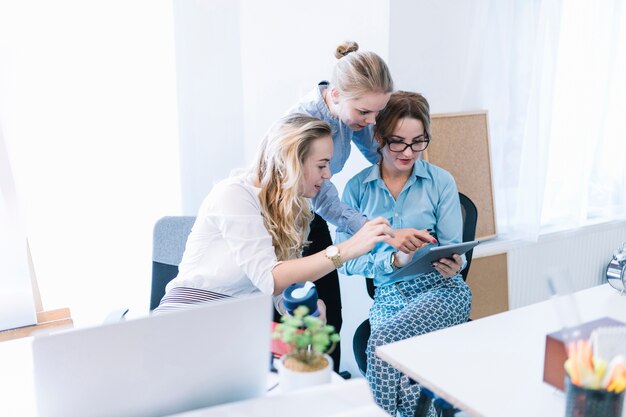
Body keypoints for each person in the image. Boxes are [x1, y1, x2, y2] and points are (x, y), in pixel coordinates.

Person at [155, 114, 395, 329]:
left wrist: (302, 310)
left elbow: (280, 290)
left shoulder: (294, 209)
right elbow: (270, 278)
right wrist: (346, 249)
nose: (328, 174)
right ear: (292, 163)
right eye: (321, 165)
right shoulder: (233, 194)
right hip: (187, 317)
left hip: (235, 323)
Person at [287, 41, 433, 370]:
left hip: (313, 215)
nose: (371, 121)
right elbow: (324, 195)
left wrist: (410, 167)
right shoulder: (304, 123)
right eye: (364, 112)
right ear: (336, 94)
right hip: (284, 221)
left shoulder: (353, 118)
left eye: (377, 113)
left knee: (330, 319)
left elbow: (376, 153)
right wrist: (378, 231)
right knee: (297, 324)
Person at [336, 91, 472, 417]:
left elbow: (456, 249)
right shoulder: (357, 189)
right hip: (391, 295)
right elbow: (346, 260)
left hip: (442, 291)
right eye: (397, 142)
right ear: (378, 138)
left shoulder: (441, 182)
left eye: (418, 141)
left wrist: (454, 264)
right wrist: (395, 260)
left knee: (380, 344)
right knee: (408, 380)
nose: (408, 152)